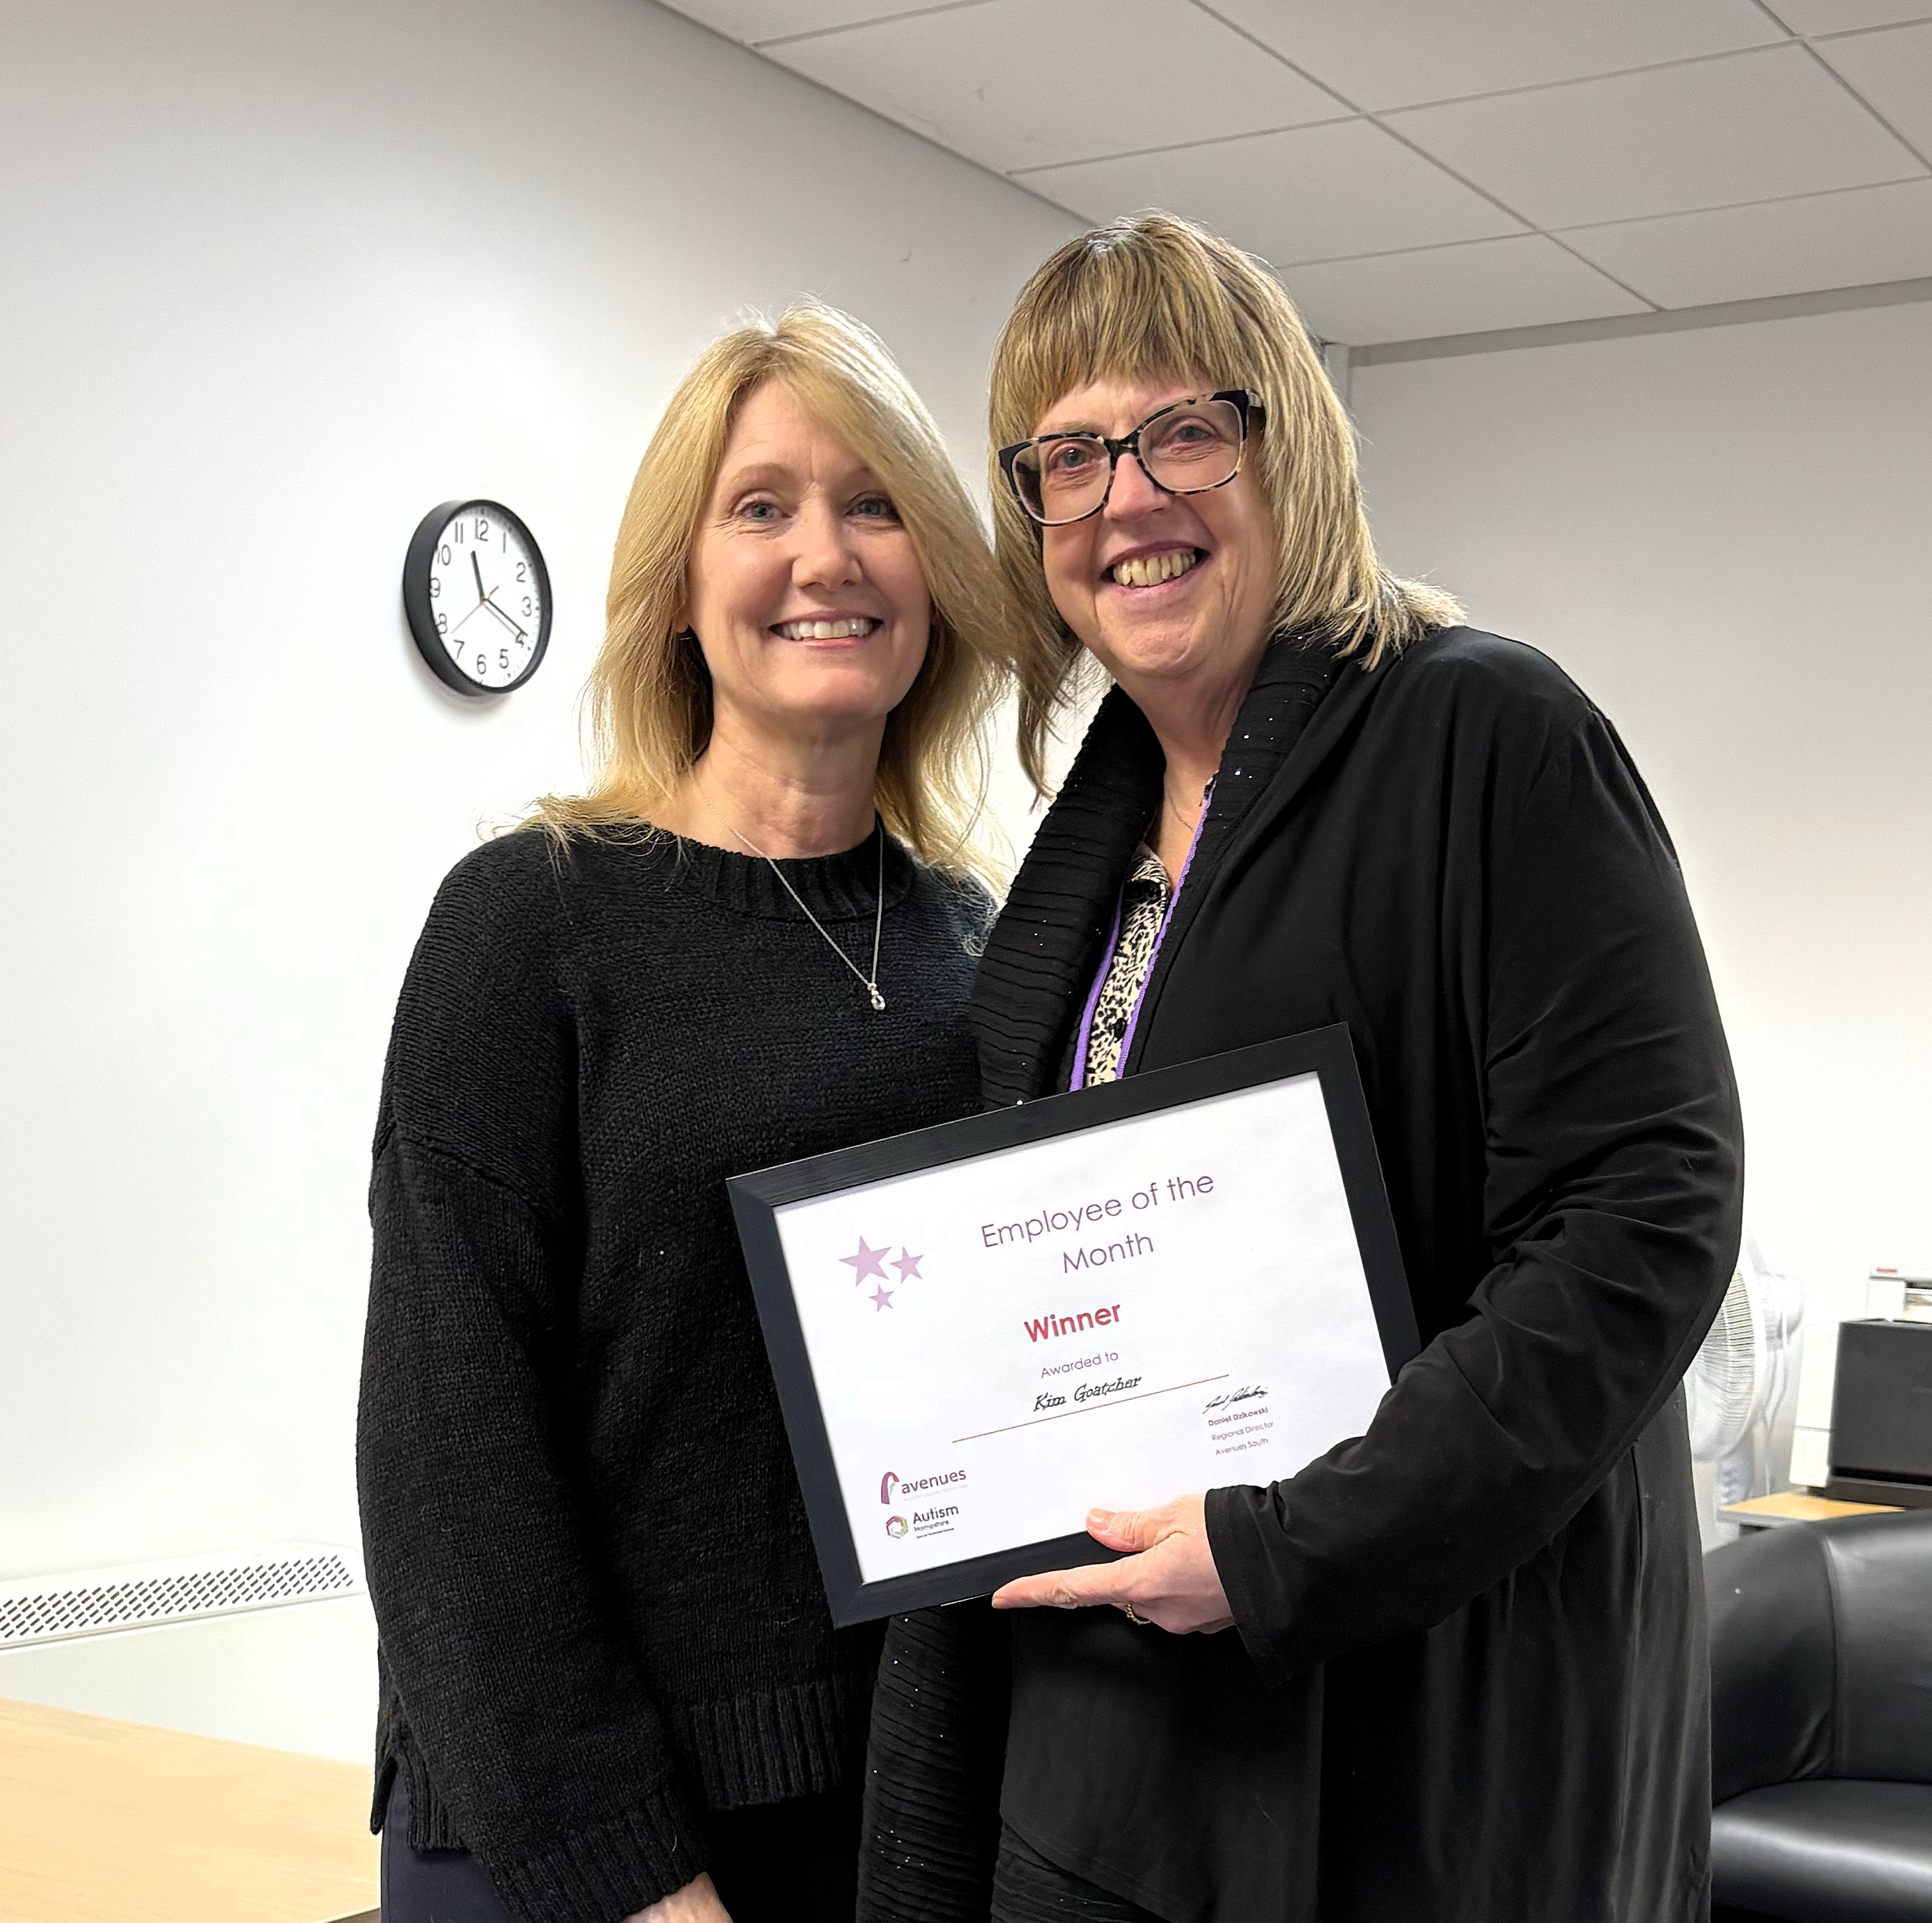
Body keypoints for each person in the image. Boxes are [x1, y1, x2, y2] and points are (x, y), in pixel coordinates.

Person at [856, 214, 1743, 1922]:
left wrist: (1284, 1550)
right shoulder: (1081, 849)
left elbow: (1644, 1216)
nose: (1127, 497)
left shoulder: (1486, 737)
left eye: (1183, 429)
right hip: (1126, 1755)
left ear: (1292, 448)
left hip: (1420, 1747)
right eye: (1066, 458)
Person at [357, 301, 1013, 1923]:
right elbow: (447, 1446)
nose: (827, 556)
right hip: (575, 1838)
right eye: (763, 505)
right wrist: (630, 1877)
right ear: (678, 586)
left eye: (875, 506)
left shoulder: (982, 945)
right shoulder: (532, 921)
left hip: (894, 1809)